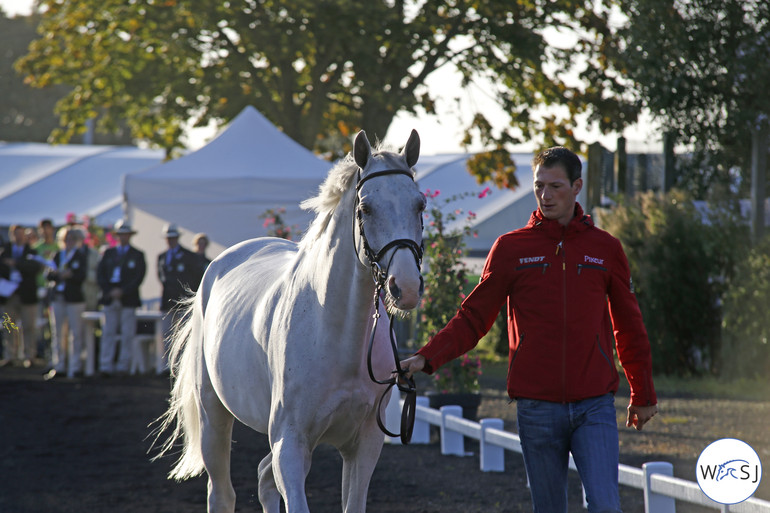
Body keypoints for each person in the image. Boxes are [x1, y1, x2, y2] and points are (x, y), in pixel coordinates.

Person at [400, 147, 658, 513]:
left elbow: (629, 325)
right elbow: (473, 317)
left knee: (605, 505)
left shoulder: (606, 249)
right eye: (539, 186)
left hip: (594, 405)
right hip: (536, 409)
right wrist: (426, 357)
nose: (545, 195)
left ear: (577, 186)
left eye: (555, 186)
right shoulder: (510, 248)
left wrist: (643, 392)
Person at [96, 220, 146, 376]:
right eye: (121, 234)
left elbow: (138, 277)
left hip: (128, 298)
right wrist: (110, 290)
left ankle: (124, 365)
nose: (123, 237)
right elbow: (100, 274)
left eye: (126, 234)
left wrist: (123, 291)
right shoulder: (109, 253)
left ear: (129, 236)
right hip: (110, 298)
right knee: (108, 332)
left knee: (127, 333)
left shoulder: (137, 255)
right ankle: (106, 365)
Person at [45, 227, 88, 379]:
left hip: (74, 299)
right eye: (66, 240)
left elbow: (82, 275)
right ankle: (59, 365)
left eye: (71, 240)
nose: (68, 242)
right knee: (58, 333)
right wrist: (57, 275)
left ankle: (75, 367)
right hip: (58, 297)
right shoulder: (57, 255)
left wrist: (70, 275)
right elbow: (48, 274)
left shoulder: (80, 256)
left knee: (76, 334)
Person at [0, 225, 42, 367]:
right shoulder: (4, 251)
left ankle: (29, 355)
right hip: (8, 295)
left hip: (26, 295)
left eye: (21, 234)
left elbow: (34, 268)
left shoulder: (31, 251)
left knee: (29, 326)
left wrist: (17, 264)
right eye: (16, 234)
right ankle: (11, 355)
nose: (19, 237)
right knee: (9, 326)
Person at [157, 224, 198, 370]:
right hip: (167, 301)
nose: (170, 241)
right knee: (165, 334)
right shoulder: (162, 257)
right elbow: (162, 278)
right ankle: (166, 366)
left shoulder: (188, 256)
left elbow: (192, 278)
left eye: (173, 238)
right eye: (168, 238)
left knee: (182, 335)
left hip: (182, 301)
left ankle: (181, 366)